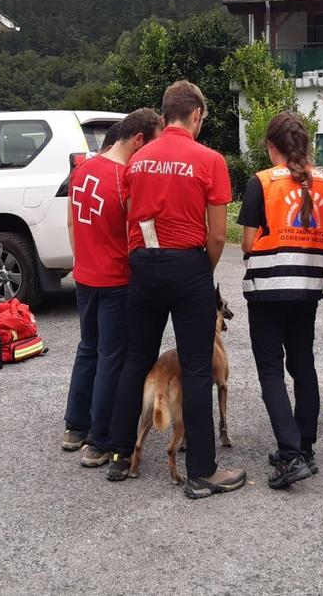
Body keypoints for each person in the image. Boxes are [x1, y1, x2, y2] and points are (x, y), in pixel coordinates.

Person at [105, 80, 246, 500]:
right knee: (198, 366)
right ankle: (202, 470)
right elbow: (219, 236)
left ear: (164, 115)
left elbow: (130, 215)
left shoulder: (138, 158)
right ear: (197, 115)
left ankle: (118, 456)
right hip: (189, 265)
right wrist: (200, 273)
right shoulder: (210, 160)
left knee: (136, 359)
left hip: (144, 262)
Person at [237, 112, 323, 489]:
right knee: (303, 364)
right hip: (308, 289)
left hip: (268, 290)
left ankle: (291, 454)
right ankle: (305, 445)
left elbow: (247, 244)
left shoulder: (262, 182)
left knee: (270, 370)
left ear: (271, 145)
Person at [62, 110, 163, 466]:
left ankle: (75, 426)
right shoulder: (125, 178)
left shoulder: (82, 171)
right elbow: (142, 234)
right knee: (112, 358)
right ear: (138, 140)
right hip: (116, 279)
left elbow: (73, 226)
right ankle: (100, 441)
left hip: (85, 276)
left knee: (87, 348)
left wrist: (82, 262)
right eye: (150, 146)